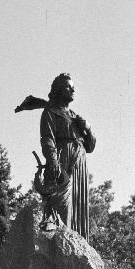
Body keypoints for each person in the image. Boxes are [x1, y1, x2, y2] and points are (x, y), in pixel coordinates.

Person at [15, 74, 96, 241]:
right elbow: (47, 139)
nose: (73, 89)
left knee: (78, 207)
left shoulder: (75, 116)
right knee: (62, 206)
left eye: (73, 86)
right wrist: (53, 162)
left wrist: (88, 128)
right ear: (58, 90)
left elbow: (90, 147)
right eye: (68, 87)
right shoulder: (50, 112)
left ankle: (79, 244)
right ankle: (59, 246)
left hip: (79, 165)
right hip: (62, 160)